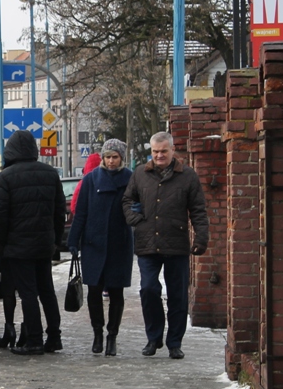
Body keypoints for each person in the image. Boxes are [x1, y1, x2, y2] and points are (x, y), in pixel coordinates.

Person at [122, 131, 209, 360]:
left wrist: (201, 238)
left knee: (178, 296)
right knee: (148, 289)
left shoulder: (187, 176)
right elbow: (128, 200)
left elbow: (198, 209)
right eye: (155, 151)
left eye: (163, 151)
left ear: (172, 150)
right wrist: (134, 220)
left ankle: (175, 342)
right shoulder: (140, 173)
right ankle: (153, 337)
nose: (159, 155)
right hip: (147, 242)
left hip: (176, 243)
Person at [0, 130, 66, 356]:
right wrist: (55, 240)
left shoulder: (5, 177)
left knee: (28, 293)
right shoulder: (50, 173)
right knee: (47, 291)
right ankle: (54, 336)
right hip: (44, 244)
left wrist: (2, 244)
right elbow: (59, 210)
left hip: (18, 246)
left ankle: (34, 339)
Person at [67, 139, 134, 357]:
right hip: (93, 243)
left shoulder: (130, 179)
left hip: (119, 243)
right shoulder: (90, 179)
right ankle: (97, 333)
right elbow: (81, 213)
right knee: (94, 290)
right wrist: (73, 240)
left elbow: (138, 208)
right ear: (103, 158)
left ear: (122, 158)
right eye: (108, 157)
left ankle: (112, 336)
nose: (111, 161)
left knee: (116, 291)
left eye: (115, 157)